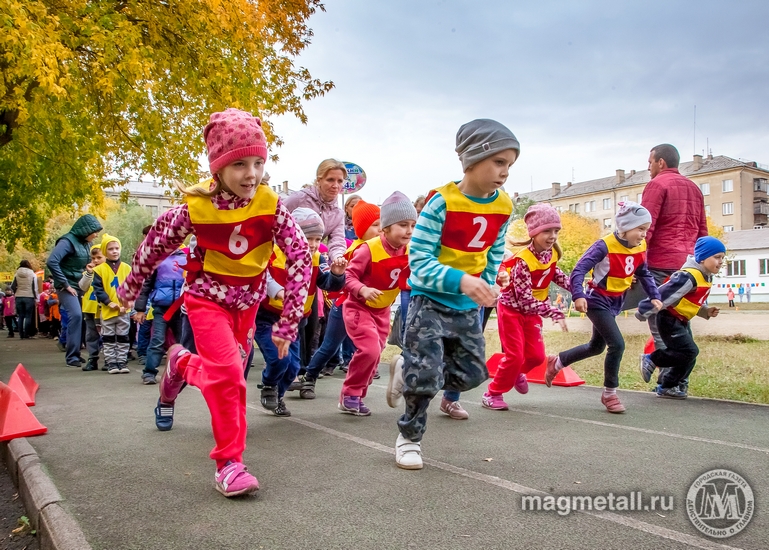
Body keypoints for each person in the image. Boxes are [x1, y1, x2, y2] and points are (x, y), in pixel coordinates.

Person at [118, 108, 312, 498]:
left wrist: (288, 322)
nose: (251, 174)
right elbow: (153, 246)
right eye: (239, 164)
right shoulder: (194, 209)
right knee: (229, 378)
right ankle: (230, 464)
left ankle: (179, 364)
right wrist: (130, 288)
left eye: (258, 162)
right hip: (206, 302)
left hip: (248, 306)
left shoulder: (272, 207)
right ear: (218, 167)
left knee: (224, 376)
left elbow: (302, 259)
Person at [389, 119, 518, 469]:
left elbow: (493, 251)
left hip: (466, 306)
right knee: (427, 378)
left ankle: (410, 365)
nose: (505, 172)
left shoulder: (503, 205)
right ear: (473, 160)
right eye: (499, 162)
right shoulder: (440, 203)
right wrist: (462, 280)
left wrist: (487, 285)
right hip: (429, 300)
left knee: (474, 374)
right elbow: (418, 261)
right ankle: (409, 438)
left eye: (510, 164)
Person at [546, 202, 662, 414]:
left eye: (646, 229)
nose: (644, 234)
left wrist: (654, 295)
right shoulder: (604, 246)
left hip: (615, 301)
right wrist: (578, 295)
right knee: (617, 345)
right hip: (596, 300)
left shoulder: (640, 247)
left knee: (596, 346)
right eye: (640, 229)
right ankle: (610, 394)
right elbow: (579, 270)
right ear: (625, 227)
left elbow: (644, 273)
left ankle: (558, 361)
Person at [257, 208, 346, 416]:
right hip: (269, 317)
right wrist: (278, 292)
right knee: (279, 359)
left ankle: (278, 395)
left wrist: (337, 275)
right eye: (308, 238)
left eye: (317, 239)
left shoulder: (317, 258)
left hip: (295, 321)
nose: (313, 244)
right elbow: (263, 278)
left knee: (293, 367)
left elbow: (327, 284)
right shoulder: (273, 253)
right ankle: (269, 385)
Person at [482, 204, 570, 410]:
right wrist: (553, 311)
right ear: (534, 233)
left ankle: (516, 374)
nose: (552, 236)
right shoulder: (522, 261)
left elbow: (555, 275)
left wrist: (578, 289)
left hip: (532, 313)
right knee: (515, 356)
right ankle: (492, 393)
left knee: (537, 357)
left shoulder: (551, 255)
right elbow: (524, 299)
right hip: (512, 310)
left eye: (556, 231)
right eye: (547, 231)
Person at [339, 192, 415, 416]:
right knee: (370, 350)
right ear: (386, 228)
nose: (409, 230)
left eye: (412, 225)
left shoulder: (410, 251)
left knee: (375, 353)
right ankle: (349, 394)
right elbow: (348, 277)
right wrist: (362, 288)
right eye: (402, 225)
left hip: (381, 311)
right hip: (358, 307)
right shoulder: (368, 249)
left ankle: (357, 394)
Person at [299, 199, 381, 399]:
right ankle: (310, 376)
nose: (381, 229)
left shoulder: (384, 248)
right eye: (376, 225)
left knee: (375, 345)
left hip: (372, 308)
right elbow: (344, 279)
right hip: (346, 305)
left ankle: (360, 379)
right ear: (362, 228)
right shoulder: (355, 250)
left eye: (382, 224)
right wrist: (357, 287)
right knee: (329, 346)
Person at [637, 236, 725, 398]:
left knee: (689, 356)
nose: (720, 262)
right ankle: (652, 359)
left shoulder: (705, 276)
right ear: (703, 257)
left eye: (722, 258)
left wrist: (705, 310)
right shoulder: (688, 276)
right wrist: (644, 309)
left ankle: (667, 386)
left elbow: (687, 301)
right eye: (717, 257)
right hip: (668, 319)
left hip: (681, 319)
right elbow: (664, 293)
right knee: (689, 351)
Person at [46, 214, 103, 367]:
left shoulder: (86, 244)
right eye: (95, 231)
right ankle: (71, 357)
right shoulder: (67, 242)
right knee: (76, 315)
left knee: (82, 318)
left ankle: (76, 353)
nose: (96, 235)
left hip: (81, 285)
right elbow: (52, 261)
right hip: (67, 287)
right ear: (86, 230)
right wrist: (65, 284)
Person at [134, 245, 186, 384]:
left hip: (181, 309)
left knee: (183, 342)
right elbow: (145, 286)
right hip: (161, 309)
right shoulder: (156, 260)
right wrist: (140, 309)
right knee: (157, 340)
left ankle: (184, 373)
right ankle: (149, 373)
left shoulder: (186, 259)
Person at [283, 159, 348, 261]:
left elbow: (337, 240)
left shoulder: (338, 214)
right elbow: (275, 220)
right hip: (284, 256)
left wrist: (338, 257)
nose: (335, 185)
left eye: (340, 181)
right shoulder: (298, 199)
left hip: (310, 258)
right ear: (319, 180)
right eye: (330, 180)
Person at [92, 235, 132, 374]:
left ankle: (122, 361)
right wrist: (110, 303)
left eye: (117, 248)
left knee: (123, 336)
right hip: (108, 310)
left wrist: (128, 303)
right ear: (104, 251)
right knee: (108, 337)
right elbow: (98, 290)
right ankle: (111, 362)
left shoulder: (127, 268)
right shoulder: (99, 270)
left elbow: (132, 287)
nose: (115, 251)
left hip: (124, 310)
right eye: (110, 249)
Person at [78, 244, 106, 371]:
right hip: (90, 307)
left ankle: (109, 359)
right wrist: (89, 273)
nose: (95, 261)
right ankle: (92, 358)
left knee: (107, 334)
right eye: (93, 258)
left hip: (105, 308)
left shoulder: (108, 272)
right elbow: (83, 287)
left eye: (99, 257)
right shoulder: (88, 273)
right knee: (91, 335)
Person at [12, 260, 38, 339]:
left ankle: (21, 334)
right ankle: (26, 334)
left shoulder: (16, 274)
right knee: (28, 316)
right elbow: (35, 287)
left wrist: (16, 293)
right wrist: (36, 297)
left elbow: (13, 286)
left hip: (19, 296)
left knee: (21, 316)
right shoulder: (32, 274)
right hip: (29, 296)